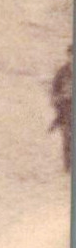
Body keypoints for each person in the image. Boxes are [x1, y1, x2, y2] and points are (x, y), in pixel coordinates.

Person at [51, 44, 72, 173]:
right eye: (71, 55)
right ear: (68, 56)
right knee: (67, 136)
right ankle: (68, 167)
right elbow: (54, 91)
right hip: (66, 109)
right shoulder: (62, 72)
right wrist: (58, 104)